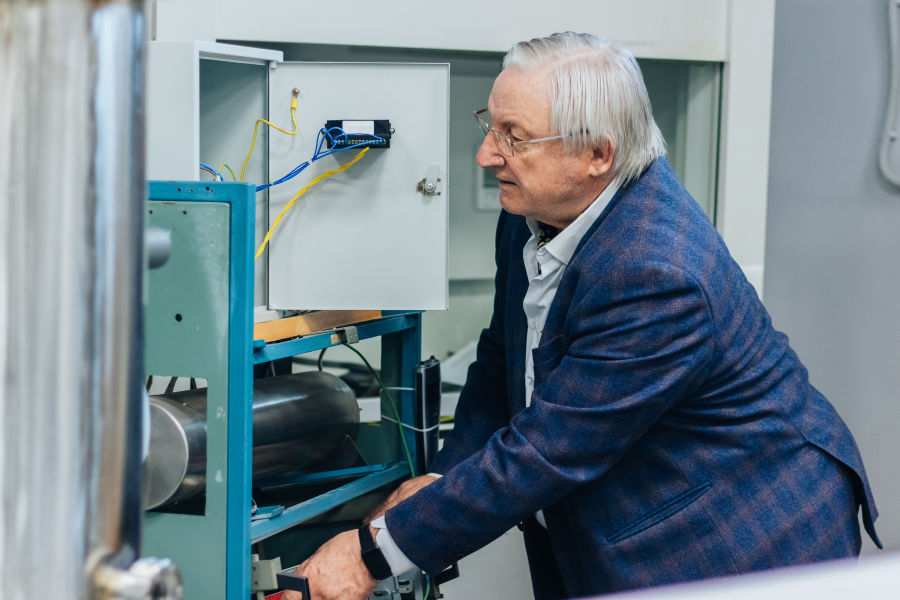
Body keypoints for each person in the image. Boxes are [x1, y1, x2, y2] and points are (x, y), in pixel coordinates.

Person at [285, 32, 880, 600]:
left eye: (515, 137)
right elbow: (502, 355)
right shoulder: (533, 211)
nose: (486, 155)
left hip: (739, 535)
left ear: (597, 153)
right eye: (491, 126)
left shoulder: (656, 273)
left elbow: (547, 451)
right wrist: (441, 481)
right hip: (622, 507)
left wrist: (370, 556)